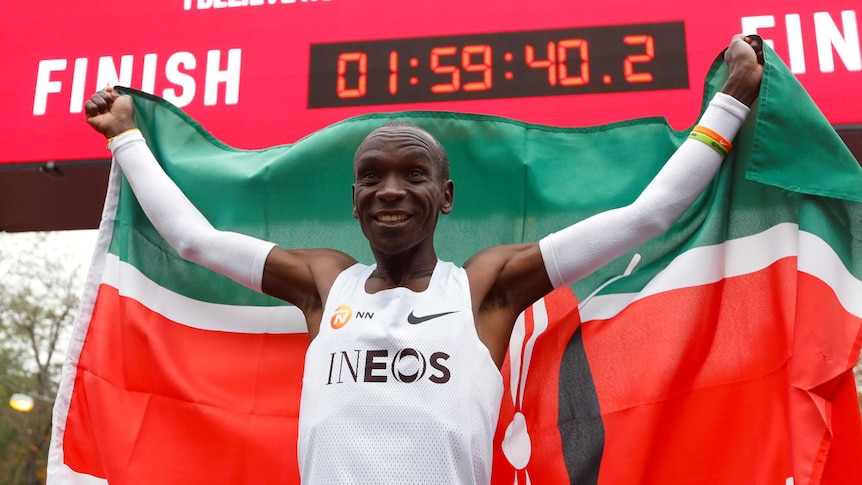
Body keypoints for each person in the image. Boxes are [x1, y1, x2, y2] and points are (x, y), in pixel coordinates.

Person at [85, 35, 763, 484]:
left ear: (446, 194)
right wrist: (126, 139)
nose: (390, 188)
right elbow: (194, 240)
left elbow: (645, 217)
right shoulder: (326, 283)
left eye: (413, 173)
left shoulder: (487, 289)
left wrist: (731, 102)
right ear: (353, 199)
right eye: (372, 175)